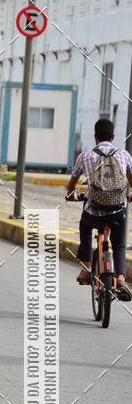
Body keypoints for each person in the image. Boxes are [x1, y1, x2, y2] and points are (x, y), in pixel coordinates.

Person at [66, 118, 132, 301]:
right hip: (117, 212)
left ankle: (87, 268)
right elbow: (131, 179)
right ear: (113, 137)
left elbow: (72, 182)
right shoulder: (124, 155)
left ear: (95, 137)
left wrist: (71, 194)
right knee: (119, 243)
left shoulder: (85, 156)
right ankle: (121, 278)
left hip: (93, 212)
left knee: (85, 226)